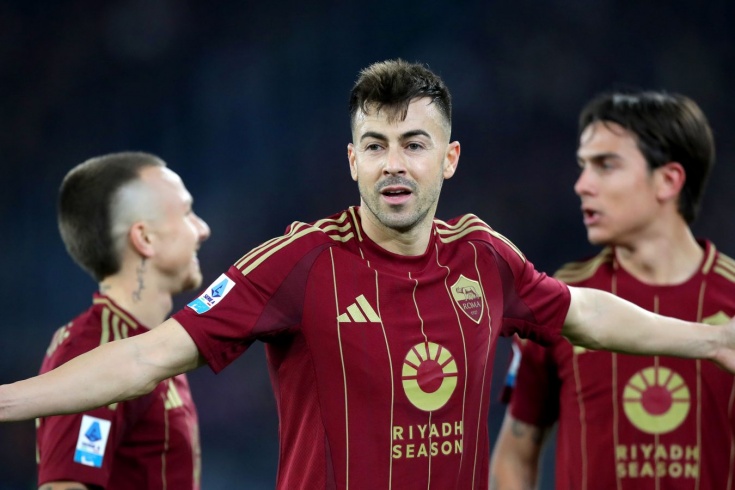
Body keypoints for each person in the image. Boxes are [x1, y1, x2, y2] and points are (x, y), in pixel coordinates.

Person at [1, 60, 735, 490]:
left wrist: (709, 341)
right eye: (375, 145)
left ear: (448, 158)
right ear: (352, 160)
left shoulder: (485, 258)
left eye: (414, 143)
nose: (393, 164)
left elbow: (584, 312)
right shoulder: (298, 262)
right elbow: (144, 357)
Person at [489, 91, 735, 490]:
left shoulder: (732, 298)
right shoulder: (561, 303)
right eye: (583, 166)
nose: (582, 185)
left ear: (668, 180)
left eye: (605, 165)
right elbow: (513, 460)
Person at [36, 152, 210, 490]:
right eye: (187, 212)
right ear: (144, 239)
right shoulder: (96, 351)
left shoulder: (147, 342)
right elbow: (64, 486)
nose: (203, 229)